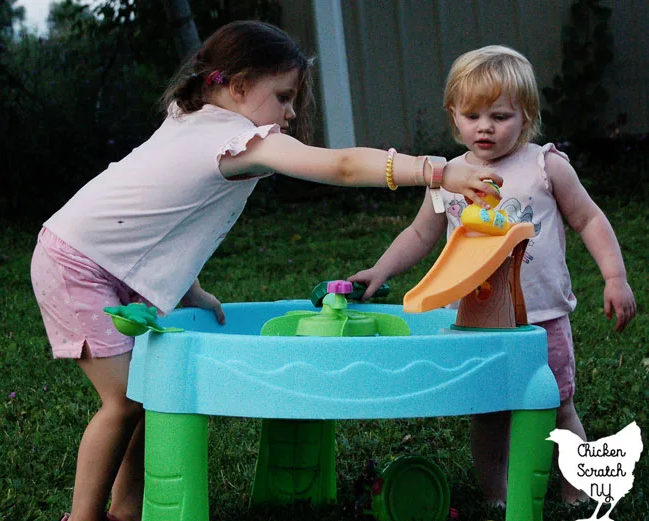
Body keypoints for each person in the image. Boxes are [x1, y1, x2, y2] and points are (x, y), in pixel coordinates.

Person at [30, 21, 501, 521]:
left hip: (109, 259)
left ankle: (125, 513)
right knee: (125, 401)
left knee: (150, 392)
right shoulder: (237, 139)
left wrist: (189, 290)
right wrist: (439, 171)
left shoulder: (191, 119)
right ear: (236, 87)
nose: (290, 111)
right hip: (77, 261)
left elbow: (157, 215)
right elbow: (339, 166)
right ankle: (81, 517)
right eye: (282, 96)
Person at [349, 45, 636, 506]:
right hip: (475, 321)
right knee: (489, 414)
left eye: (500, 115)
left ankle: (576, 492)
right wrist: (381, 270)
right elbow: (421, 234)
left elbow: (589, 219)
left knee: (557, 405)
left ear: (526, 115)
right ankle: (496, 497)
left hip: (540, 317)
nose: (485, 126)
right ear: (453, 117)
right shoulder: (447, 175)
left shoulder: (546, 166)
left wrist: (615, 277)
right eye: (473, 114)